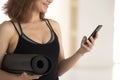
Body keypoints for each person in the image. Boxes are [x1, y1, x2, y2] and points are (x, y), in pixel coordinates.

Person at [0, 0, 98, 80]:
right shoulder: (8, 29)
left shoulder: (53, 26)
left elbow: (58, 69)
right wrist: (17, 78)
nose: (51, 1)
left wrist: (81, 52)